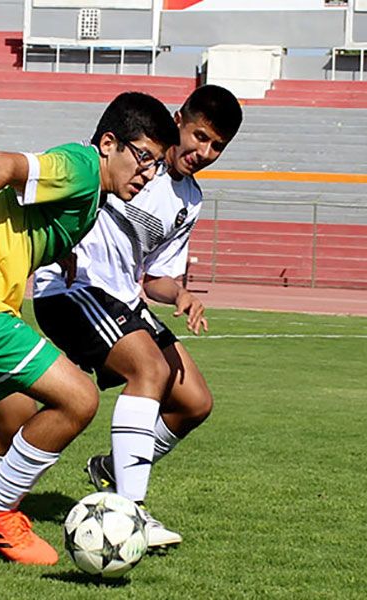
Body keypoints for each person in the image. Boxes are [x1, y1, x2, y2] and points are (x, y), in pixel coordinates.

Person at [0, 91, 179, 566]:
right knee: (79, 398)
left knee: (14, 418)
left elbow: (29, 214)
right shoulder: (82, 167)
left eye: (155, 166)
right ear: (109, 143)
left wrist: (60, 249)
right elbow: (4, 164)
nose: (147, 175)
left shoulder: (90, 197)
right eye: (143, 158)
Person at [31, 84, 243, 548]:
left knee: (194, 402)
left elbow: (153, 280)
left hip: (125, 298)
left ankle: (110, 469)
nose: (203, 152)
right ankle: (131, 511)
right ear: (179, 118)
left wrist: (182, 294)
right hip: (74, 289)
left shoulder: (190, 199)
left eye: (217, 147)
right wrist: (57, 241)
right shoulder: (131, 155)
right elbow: (53, 187)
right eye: (200, 136)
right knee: (149, 369)